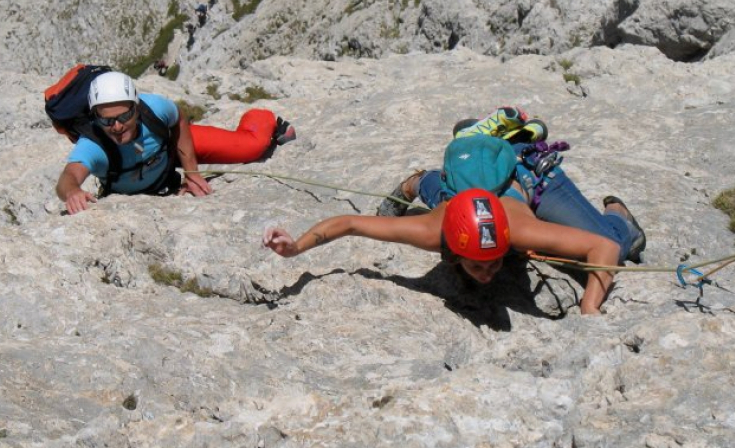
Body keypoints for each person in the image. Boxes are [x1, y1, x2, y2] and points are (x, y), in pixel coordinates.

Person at [263, 135, 645, 315]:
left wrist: (588, 306)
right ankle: (421, 181)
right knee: (441, 189)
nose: (487, 273)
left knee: (617, 240)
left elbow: (604, 251)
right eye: (478, 264)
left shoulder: (519, 231)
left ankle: (618, 212)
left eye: (494, 261)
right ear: (453, 251)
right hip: (454, 191)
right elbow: (349, 223)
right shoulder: (433, 230)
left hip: (527, 178)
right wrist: (296, 247)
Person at [57, 71, 296, 214]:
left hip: (172, 149)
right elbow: (68, 178)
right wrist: (73, 192)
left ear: (136, 108)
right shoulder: (95, 142)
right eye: (107, 120)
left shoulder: (154, 108)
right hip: (165, 159)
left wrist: (191, 172)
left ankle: (262, 118)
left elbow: (178, 119)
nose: (117, 127)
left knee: (251, 147)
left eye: (124, 116)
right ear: (95, 117)